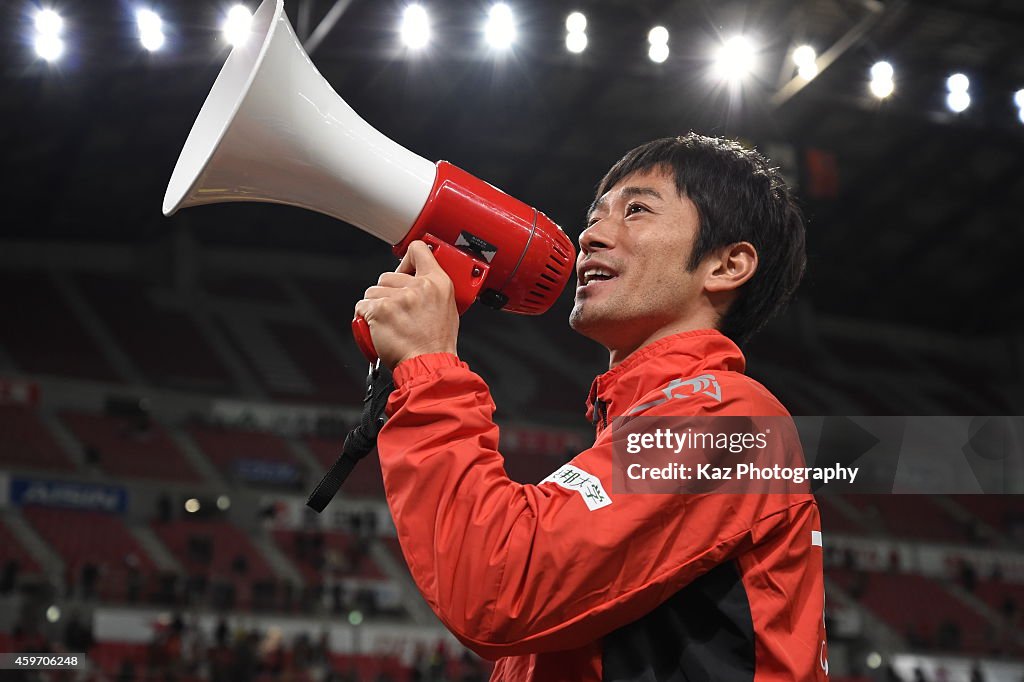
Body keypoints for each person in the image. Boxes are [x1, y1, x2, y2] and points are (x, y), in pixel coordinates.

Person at [355, 133, 828, 681]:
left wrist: (429, 367)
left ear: (727, 265)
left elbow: (500, 586)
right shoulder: (651, 423)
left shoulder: (730, 419)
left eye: (636, 211)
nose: (591, 235)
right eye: (595, 215)